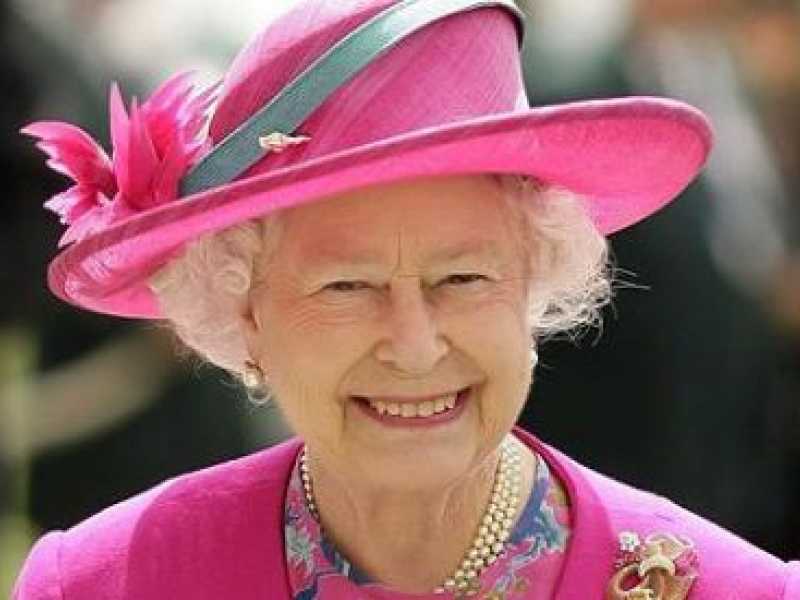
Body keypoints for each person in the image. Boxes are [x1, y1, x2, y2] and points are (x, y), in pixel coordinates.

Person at [12, 0, 800, 598]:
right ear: (244, 314)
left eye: (463, 279)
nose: (415, 345)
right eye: (346, 286)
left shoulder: (737, 591)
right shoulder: (101, 584)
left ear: (533, 282)